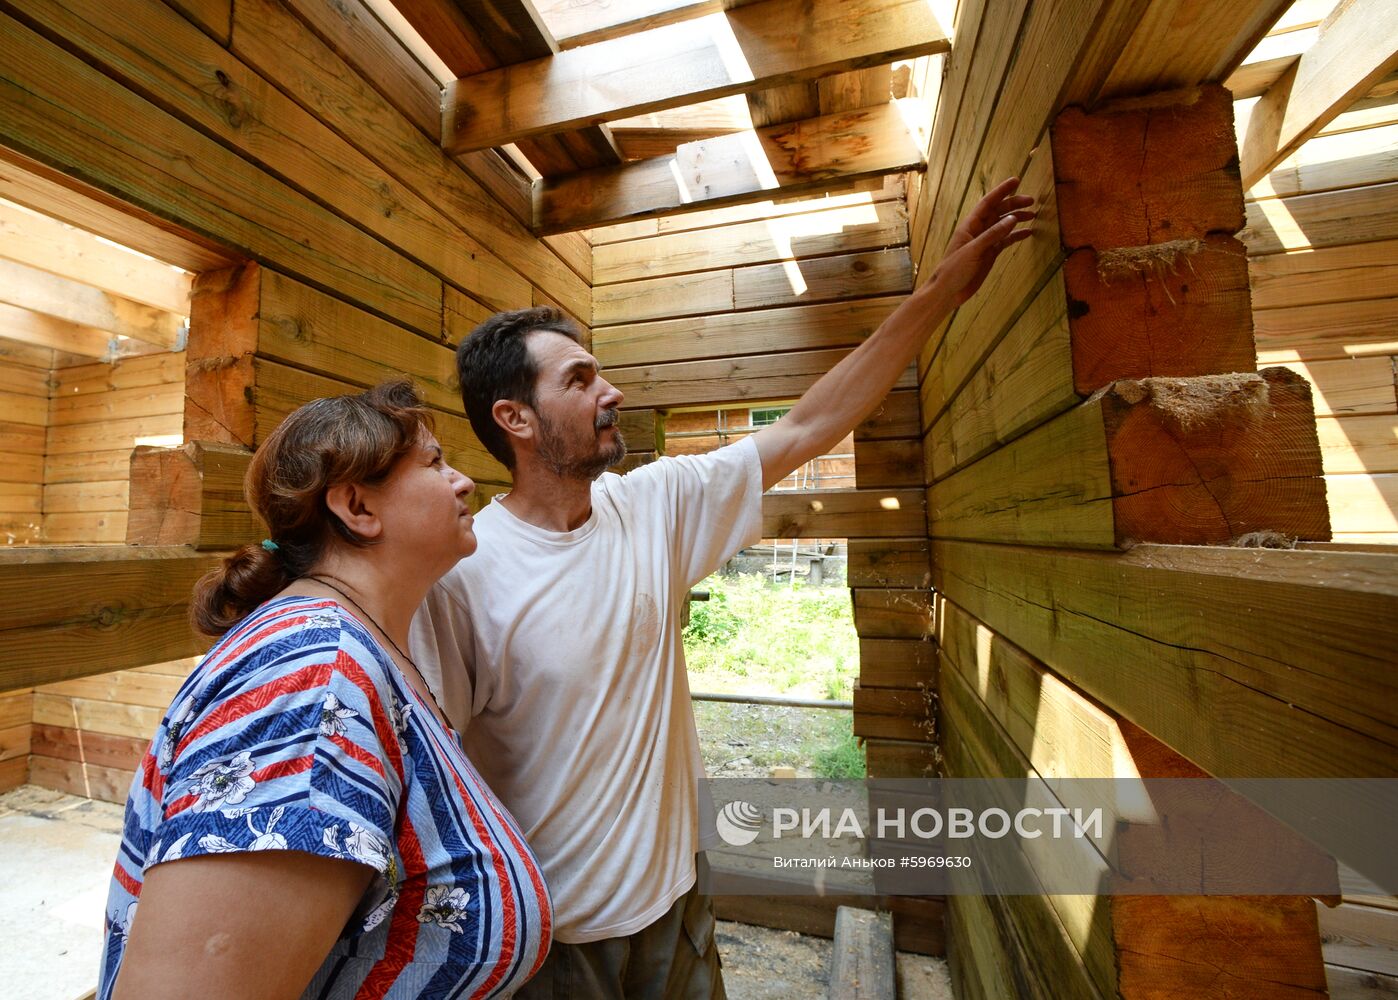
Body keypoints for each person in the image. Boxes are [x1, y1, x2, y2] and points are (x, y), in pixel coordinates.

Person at [410, 179, 1035, 997]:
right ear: (515, 420)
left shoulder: (653, 505)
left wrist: (942, 291)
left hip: (678, 899)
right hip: (553, 940)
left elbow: (811, 424)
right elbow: (433, 770)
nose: (611, 392)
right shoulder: (464, 571)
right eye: (580, 380)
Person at [99, 381, 552, 1000]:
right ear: (358, 509)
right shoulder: (312, 678)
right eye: (435, 462)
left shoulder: (358, 649)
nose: (463, 481)